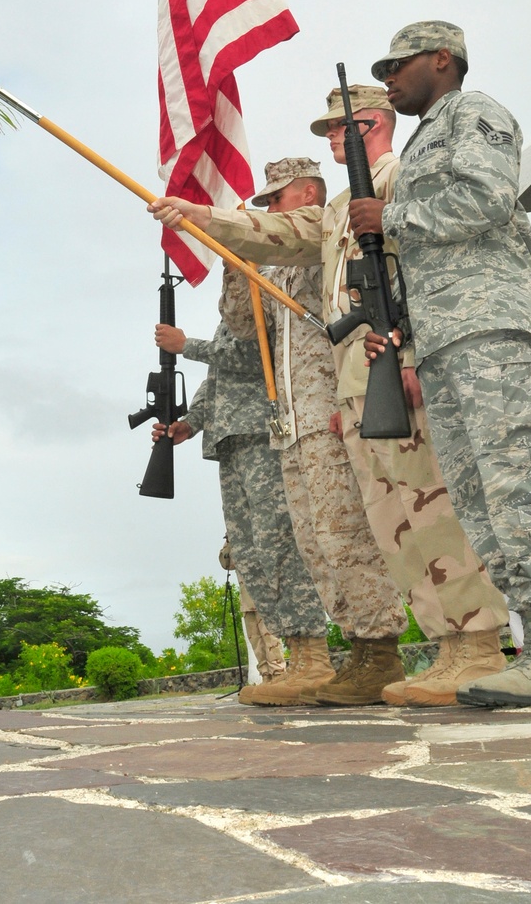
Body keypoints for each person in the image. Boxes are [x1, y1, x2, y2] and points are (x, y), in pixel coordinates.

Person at [350, 20, 531, 707]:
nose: (389, 78)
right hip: (444, 340)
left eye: (399, 65)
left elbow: (485, 201)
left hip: (489, 328)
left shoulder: (474, 113)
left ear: (442, 60)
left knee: (514, 481)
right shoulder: (429, 135)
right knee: (481, 498)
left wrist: (387, 216)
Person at [153, 161, 409, 707]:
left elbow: (243, 348)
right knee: (315, 542)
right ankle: (350, 653)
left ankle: (374, 649)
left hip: (332, 405)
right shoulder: (274, 269)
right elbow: (245, 331)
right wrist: (234, 260)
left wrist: (228, 227)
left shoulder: (325, 237)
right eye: (263, 204)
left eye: (277, 199)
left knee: (342, 532)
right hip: (286, 417)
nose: (268, 210)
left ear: (310, 193)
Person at [150, 317, 336, 704]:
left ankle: (314, 659)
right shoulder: (230, 312)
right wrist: (192, 422)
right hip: (229, 441)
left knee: (278, 545)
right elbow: (218, 379)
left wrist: (187, 346)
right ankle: (296, 660)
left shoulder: (258, 290)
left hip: (262, 431)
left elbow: (257, 356)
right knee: (250, 555)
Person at [218, 537, 287, 683]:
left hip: (266, 598)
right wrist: (229, 541)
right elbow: (227, 563)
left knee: (271, 639)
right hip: (248, 601)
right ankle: (266, 677)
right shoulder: (236, 542)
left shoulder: (258, 535)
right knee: (256, 642)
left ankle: (279, 675)